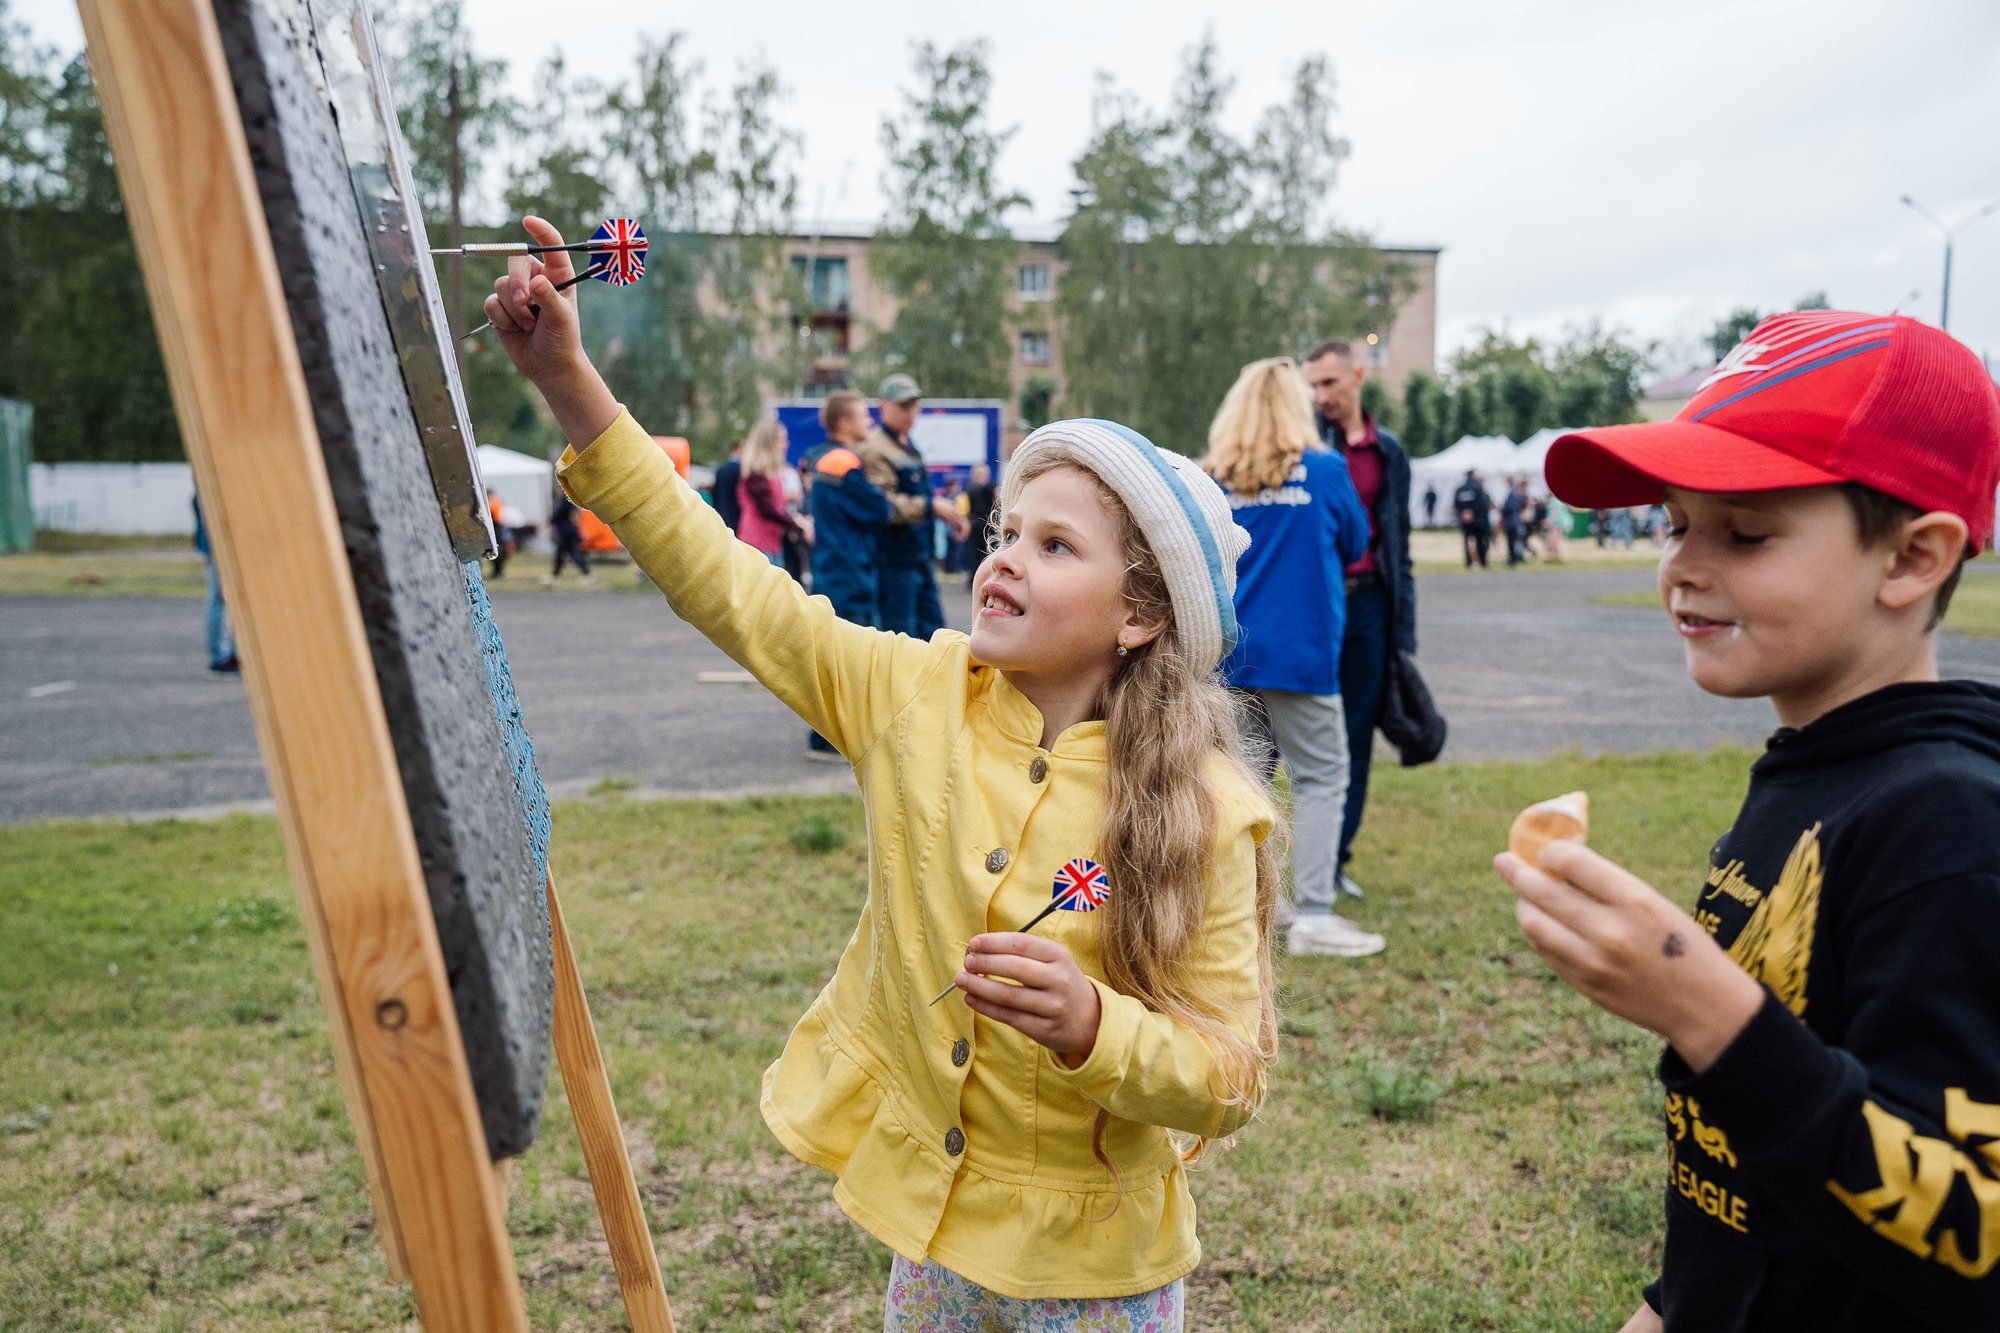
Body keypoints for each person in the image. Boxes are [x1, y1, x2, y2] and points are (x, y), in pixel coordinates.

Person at [482, 216, 1279, 1329]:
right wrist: (569, 378)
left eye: (1055, 546)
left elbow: (1227, 1071)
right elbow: (731, 586)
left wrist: (1095, 1026)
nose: (1002, 557)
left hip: (1099, 1279)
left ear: (1140, 614)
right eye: (1006, 529)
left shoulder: (1207, 809)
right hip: (933, 1244)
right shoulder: (909, 695)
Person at [1494, 310, 2000, 1333]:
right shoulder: (1809, 765)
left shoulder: (1945, 826)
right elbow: (1750, 1190)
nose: (1681, 562)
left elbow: (1974, 1241)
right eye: (1676, 522)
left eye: (1745, 531)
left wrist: (1700, 1007)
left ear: (1909, 559)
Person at [1206, 358, 1381, 958]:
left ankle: (1258, 906)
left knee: (1243, 782)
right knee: (1321, 776)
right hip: (1303, 653)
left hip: (1230, 653)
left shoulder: (1216, 476)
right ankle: (1313, 915)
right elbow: (1357, 544)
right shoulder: (1327, 471)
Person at [1303, 338, 1419, 903]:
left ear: (1357, 376)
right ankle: (1279, 864)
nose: (1321, 395)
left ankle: (1334, 861)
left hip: (1371, 601)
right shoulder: (1302, 447)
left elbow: (1399, 542)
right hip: (1313, 603)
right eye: (1313, 386)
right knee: (1285, 734)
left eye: (1329, 383)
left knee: (1356, 735)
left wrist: (1405, 632)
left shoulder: (1388, 452)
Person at [801, 390, 894, 758]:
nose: (869, 422)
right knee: (852, 658)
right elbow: (879, 509)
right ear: (844, 424)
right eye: (862, 416)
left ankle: (827, 738)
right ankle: (831, 740)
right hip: (851, 570)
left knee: (833, 657)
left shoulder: (817, 460)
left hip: (830, 566)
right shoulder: (843, 462)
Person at [859, 373, 969, 639]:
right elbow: (883, 504)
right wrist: (933, 507)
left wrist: (944, 513)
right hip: (894, 560)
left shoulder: (907, 445)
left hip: (919, 557)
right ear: (883, 406)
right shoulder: (875, 448)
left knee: (935, 637)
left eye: (914, 405)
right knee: (901, 640)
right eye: (903, 406)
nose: (911, 412)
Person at [735, 421, 807, 569]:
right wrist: (796, 525)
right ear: (769, 443)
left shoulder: (767, 473)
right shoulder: (758, 473)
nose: (786, 445)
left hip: (769, 543)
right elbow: (768, 509)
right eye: (782, 440)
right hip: (758, 545)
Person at [191, 494, 237, 675]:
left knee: (222, 598)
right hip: (219, 541)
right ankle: (221, 657)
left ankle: (228, 655)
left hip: (218, 539)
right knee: (218, 596)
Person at [547, 486, 592, 582]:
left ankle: (587, 573)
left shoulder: (565, 501)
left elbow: (560, 516)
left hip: (567, 532)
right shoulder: (562, 501)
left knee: (574, 553)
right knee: (562, 553)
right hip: (566, 532)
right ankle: (555, 575)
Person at [964, 461, 997, 589]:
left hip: (974, 522)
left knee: (973, 552)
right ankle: (982, 578)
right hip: (985, 523)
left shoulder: (970, 488)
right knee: (985, 551)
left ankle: (973, 578)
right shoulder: (986, 488)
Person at [1452, 470, 1491, 568]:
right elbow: (1482, 504)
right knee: (1480, 541)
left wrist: (1464, 513)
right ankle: (1482, 561)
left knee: (1467, 541)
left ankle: (1469, 562)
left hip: (1465, 521)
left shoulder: (1460, 489)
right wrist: (1473, 513)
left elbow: (1456, 505)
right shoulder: (1478, 488)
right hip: (1478, 520)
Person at [711, 440, 744, 535]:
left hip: (720, 512)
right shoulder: (741, 470)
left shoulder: (721, 468)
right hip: (735, 517)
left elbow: (715, 492)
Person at [1500, 476, 1528, 567]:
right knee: (1513, 541)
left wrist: (1502, 509)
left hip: (1512, 522)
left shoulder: (1512, 494)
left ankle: (1513, 559)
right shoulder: (1515, 494)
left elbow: (1508, 508)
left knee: (1512, 542)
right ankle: (1513, 558)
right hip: (1513, 521)